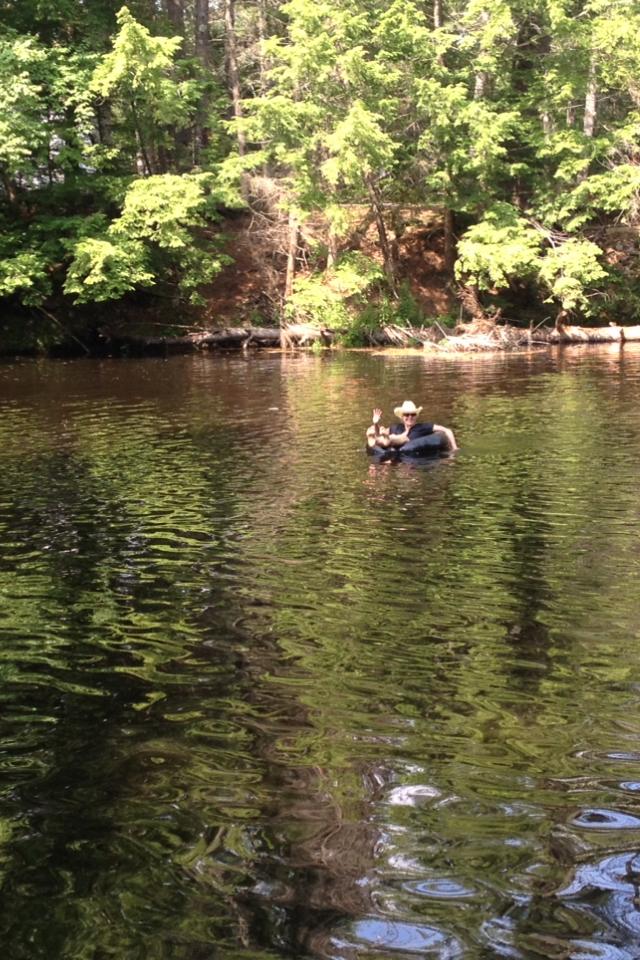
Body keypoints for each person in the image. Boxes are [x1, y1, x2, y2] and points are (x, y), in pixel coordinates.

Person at [366, 400, 458, 454]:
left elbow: (447, 430)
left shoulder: (422, 427)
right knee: (382, 436)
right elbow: (380, 434)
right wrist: (376, 424)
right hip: (393, 449)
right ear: (402, 416)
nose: (410, 417)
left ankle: (387, 439)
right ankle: (378, 436)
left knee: (397, 437)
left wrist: (454, 448)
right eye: (407, 414)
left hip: (403, 442)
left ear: (416, 416)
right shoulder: (396, 427)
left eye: (413, 414)